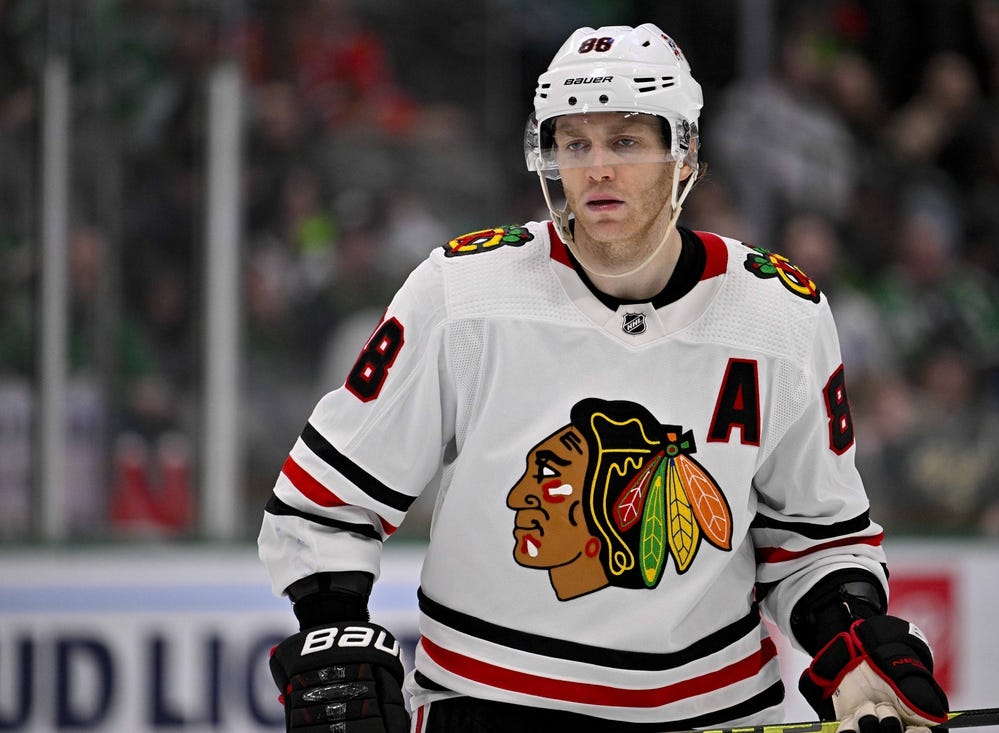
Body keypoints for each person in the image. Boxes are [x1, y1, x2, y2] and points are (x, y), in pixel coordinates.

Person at [259, 23, 949, 733]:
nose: (596, 169)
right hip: (491, 707)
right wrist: (329, 632)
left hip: (714, 714)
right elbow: (326, 501)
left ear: (685, 156)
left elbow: (815, 541)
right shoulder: (462, 294)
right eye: (575, 142)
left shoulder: (779, 317)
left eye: (625, 141)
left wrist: (852, 643)